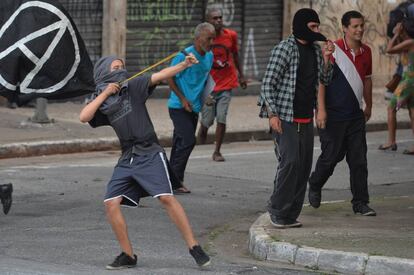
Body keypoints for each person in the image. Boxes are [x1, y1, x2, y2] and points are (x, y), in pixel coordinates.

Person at [79, 53, 210, 269]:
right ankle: (128, 255)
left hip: (149, 150)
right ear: (103, 73)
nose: (120, 70)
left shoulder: (134, 85)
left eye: (122, 66)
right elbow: (84, 116)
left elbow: (159, 75)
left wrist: (184, 65)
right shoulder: (102, 101)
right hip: (128, 156)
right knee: (111, 203)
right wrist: (105, 93)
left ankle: (194, 247)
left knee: (166, 198)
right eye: (115, 67)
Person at [258, 8, 334, 228]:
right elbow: (267, 84)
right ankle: (277, 210)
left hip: (305, 118)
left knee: (302, 167)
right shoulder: (284, 49)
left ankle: (290, 214)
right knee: (290, 162)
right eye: (313, 27)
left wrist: (327, 59)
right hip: (284, 117)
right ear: (301, 25)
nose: (317, 30)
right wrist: (272, 115)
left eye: (318, 26)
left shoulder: (315, 50)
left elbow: (325, 79)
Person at [308, 11, 377, 216]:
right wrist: (320, 110)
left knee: (359, 160)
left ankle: (360, 202)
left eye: (361, 25)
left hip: (355, 115)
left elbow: (367, 80)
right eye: (355, 26)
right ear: (345, 28)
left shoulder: (367, 51)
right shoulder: (332, 49)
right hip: (333, 115)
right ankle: (315, 183)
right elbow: (321, 81)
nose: (360, 29)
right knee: (331, 156)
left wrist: (369, 106)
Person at [167, 22, 215, 193]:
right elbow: (169, 77)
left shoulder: (209, 56)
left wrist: (206, 96)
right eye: (208, 39)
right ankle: (176, 181)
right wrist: (182, 98)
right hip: (178, 106)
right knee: (188, 140)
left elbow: (204, 79)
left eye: (213, 38)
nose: (211, 42)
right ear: (197, 39)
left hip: (194, 107)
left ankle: (170, 180)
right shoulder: (185, 55)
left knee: (180, 143)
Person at [197, 7, 247, 162]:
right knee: (207, 121)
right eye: (215, 18)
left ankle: (217, 151)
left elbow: (236, 55)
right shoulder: (204, 38)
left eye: (220, 17)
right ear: (208, 21)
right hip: (209, 86)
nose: (218, 20)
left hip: (226, 83)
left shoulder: (230, 35)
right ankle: (203, 128)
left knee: (222, 117)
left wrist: (242, 76)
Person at [379, 20, 414, 155]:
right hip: (410, 81)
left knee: (391, 108)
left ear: (402, 29)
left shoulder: (410, 42)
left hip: (408, 82)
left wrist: (395, 35)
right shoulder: (407, 44)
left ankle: (391, 141)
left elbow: (389, 49)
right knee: (412, 112)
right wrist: (398, 35)